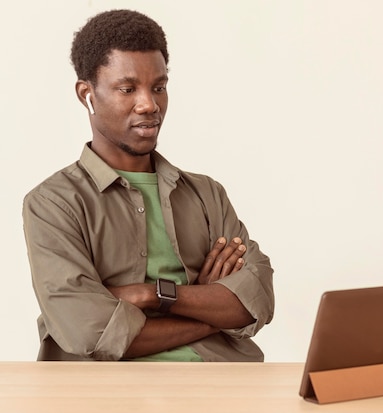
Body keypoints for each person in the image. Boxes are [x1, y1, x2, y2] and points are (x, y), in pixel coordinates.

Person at [22, 9, 274, 362]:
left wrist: (152, 295)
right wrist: (207, 307)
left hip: (222, 379)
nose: (149, 104)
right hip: (108, 394)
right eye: (128, 89)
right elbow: (89, 332)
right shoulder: (53, 204)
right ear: (86, 94)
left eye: (159, 87)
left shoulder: (206, 194)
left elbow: (257, 299)